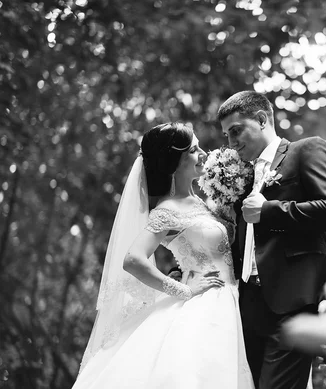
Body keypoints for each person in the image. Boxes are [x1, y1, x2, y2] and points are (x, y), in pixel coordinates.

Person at [73, 122, 254, 389]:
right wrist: (182, 289)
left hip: (233, 297)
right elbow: (133, 260)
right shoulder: (167, 211)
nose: (203, 153)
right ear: (175, 163)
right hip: (205, 304)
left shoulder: (202, 201)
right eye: (194, 150)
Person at [218, 91, 326, 389]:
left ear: (262, 120)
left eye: (236, 131)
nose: (231, 143)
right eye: (227, 135)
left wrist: (269, 211)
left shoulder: (307, 150)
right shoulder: (242, 176)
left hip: (293, 303)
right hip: (247, 308)